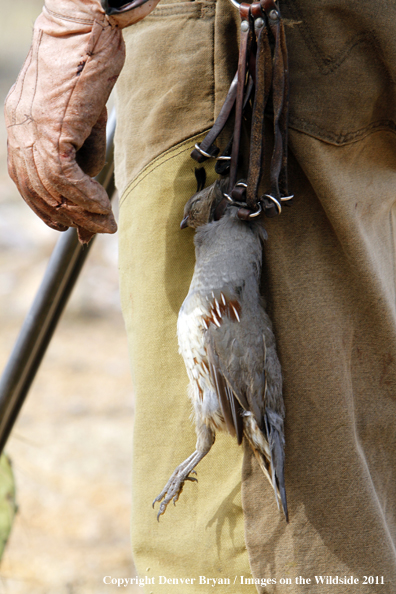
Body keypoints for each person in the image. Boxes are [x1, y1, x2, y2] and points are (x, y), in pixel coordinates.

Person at [5, 0, 396, 592]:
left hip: (236, 57)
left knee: (247, 546)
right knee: (358, 473)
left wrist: (75, 19)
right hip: (355, 44)